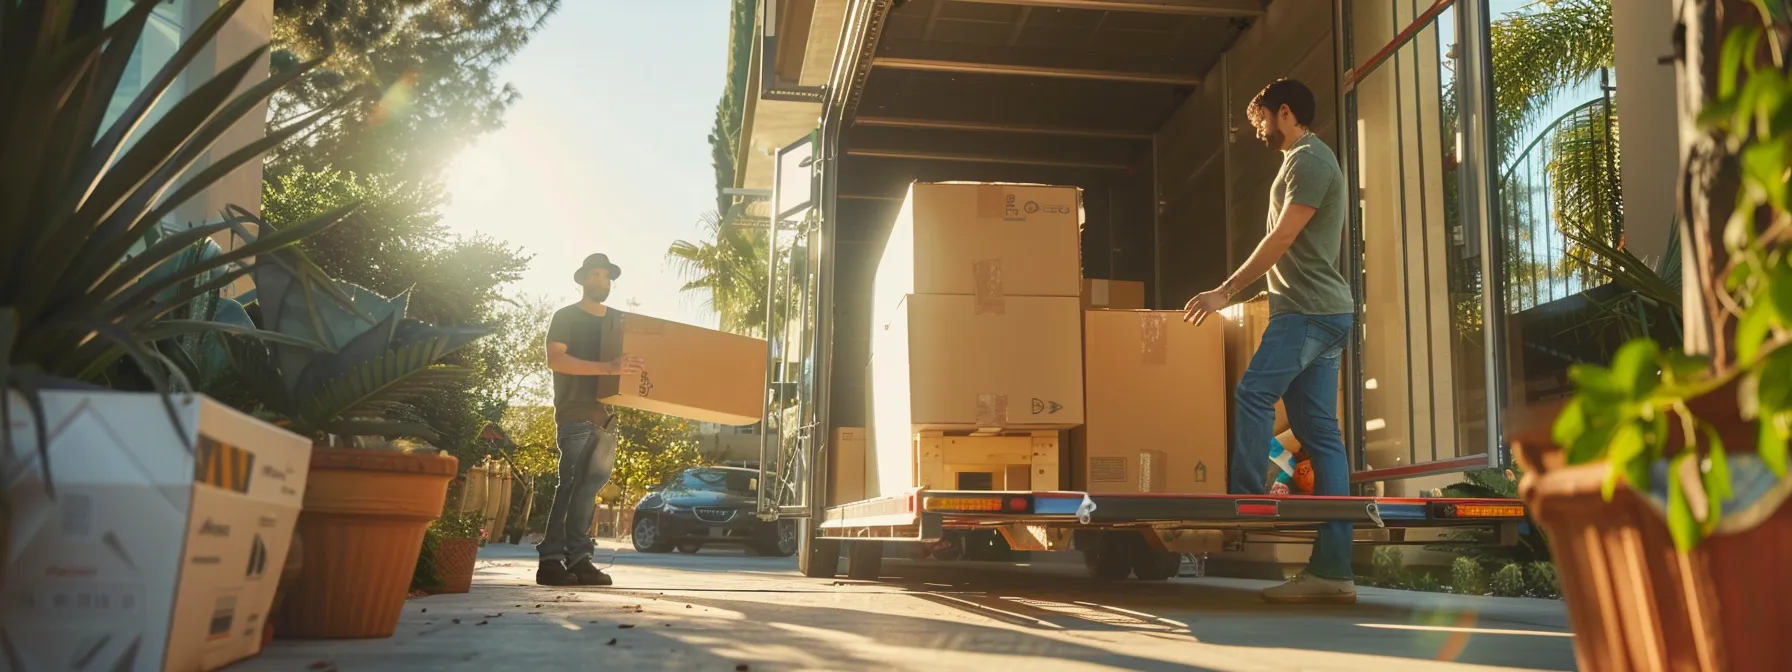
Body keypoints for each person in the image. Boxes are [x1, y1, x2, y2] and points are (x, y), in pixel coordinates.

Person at [1183, 79, 1358, 604]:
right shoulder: (1302, 160)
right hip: (1320, 312)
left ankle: (1247, 497)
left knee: (1253, 394)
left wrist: (1224, 291)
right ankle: (1333, 571)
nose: (1255, 128)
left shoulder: (1310, 160)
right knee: (1319, 433)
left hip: (1307, 313)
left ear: (1285, 112)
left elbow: (1281, 238)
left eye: (1260, 118)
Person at [535, 253, 645, 587]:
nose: (602, 281)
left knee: (588, 489)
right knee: (569, 485)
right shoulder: (566, 316)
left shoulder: (619, 322)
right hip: (575, 411)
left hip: (607, 416)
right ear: (583, 280)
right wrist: (606, 368)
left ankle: (580, 559)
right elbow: (556, 359)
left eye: (607, 276)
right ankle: (550, 562)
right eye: (595, 275)